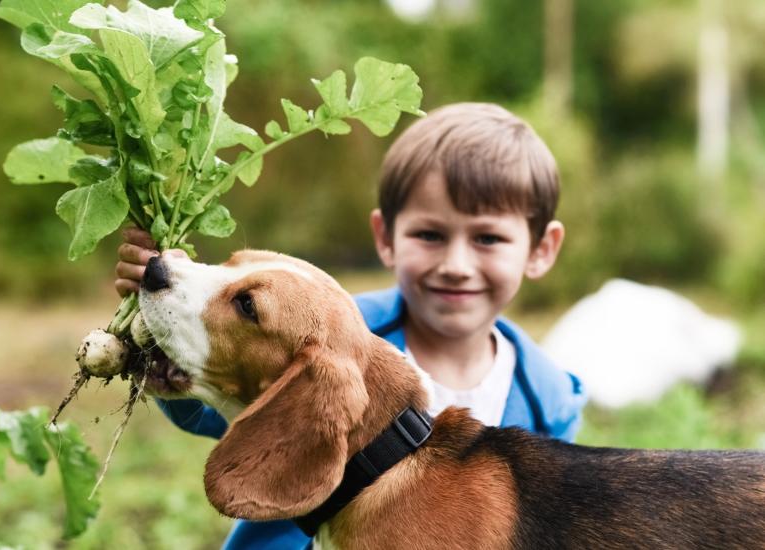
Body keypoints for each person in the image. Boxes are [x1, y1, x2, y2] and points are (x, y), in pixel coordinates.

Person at [114, 102, 587, 549]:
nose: (456, 264)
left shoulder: (551, 398)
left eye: (488, 238)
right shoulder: (332, 334)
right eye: (430, 235)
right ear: (385, 237)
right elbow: (216, 399)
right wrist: (165, 324)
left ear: (541, 248)